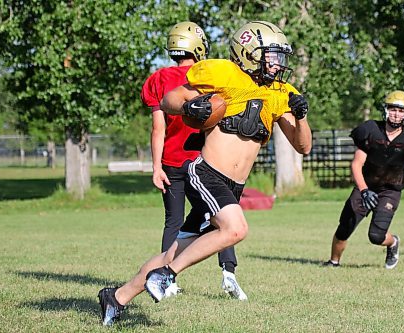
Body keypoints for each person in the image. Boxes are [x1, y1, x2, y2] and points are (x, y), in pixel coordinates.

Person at [97, 20, 312, 326]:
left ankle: (116, 297)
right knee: (236, 229)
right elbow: (170, 100)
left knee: (175, 250)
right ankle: (166, 277)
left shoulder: (280, 92)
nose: (278, 63)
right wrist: (188, 108)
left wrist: (300, 117)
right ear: (249, 52)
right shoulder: (223, 73)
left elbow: (303, 146)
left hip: (233, 186)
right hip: (206, 175)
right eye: (272, 55)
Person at [140, 21, 245, 300]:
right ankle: (228, 273)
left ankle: (167, 282)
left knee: (173, 221)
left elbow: (157, 128)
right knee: (222, 218)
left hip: (172, 162)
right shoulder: (209, 75)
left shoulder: (158, 79)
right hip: (204, 162)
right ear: (198, 46)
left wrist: (155, 167)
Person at [323, 90, 404, 269]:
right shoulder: (370, 130)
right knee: (345, 227)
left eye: (401, 110)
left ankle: (393, 242)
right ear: (386, 110)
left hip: (390, 190)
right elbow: (356, 164)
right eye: (393, 109)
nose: (397, 114)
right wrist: (364, 190)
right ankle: (334, 262)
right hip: (366, 186)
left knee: (376, 236)